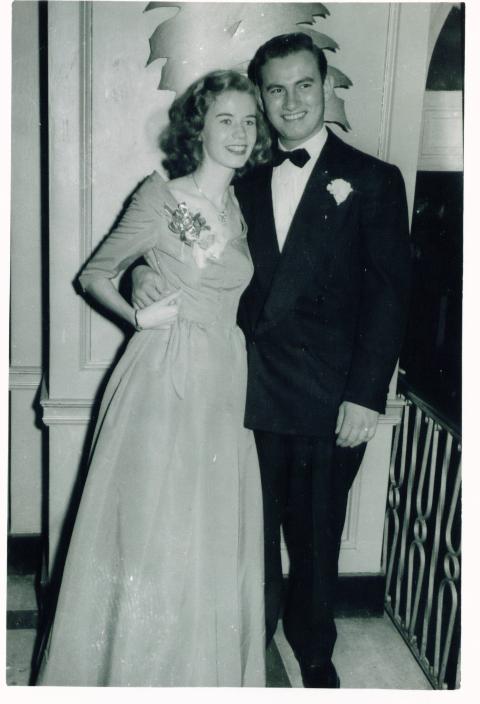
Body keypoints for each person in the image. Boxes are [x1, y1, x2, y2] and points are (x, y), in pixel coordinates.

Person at [132, 33, 411, 689]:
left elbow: (391, 297)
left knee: (315, 536)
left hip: (329, 397)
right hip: (244, 392)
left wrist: (366, 396)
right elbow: (182, 248)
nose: (291, 101)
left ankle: (313, 650)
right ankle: (244, 647)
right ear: (260, 96)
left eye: (304, 85)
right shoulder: (240, 179)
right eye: (276, 89)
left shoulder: (373, 179)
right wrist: (142, 274)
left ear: (326, 87)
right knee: (245, 535)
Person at [36, 70, 271, 687]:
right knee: (154, 526)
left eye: (249, 121)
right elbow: (94, 274)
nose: (241, 133)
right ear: (199, 128)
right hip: (165, 375)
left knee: (208, 526)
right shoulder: (159, 197)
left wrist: (150, 275)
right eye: (226, 120)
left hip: (225, 377)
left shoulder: (238, 206)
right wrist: (137, 313)